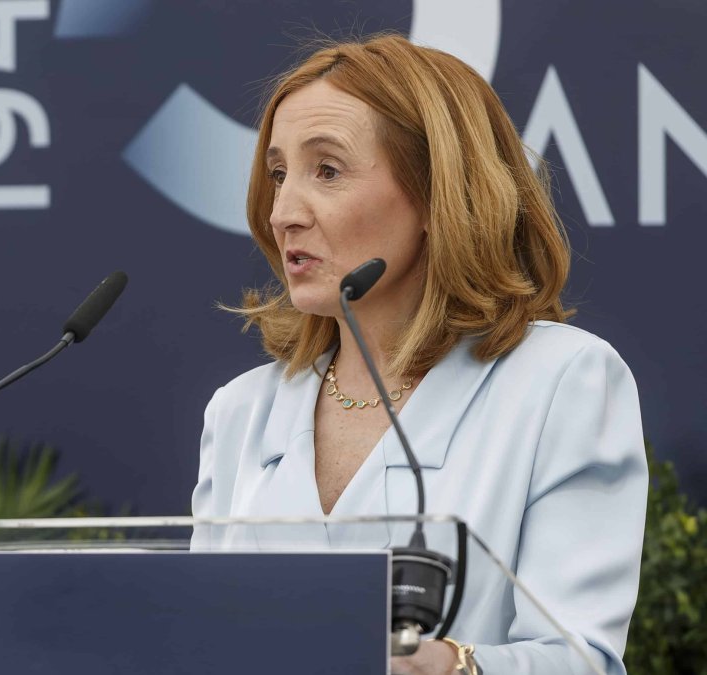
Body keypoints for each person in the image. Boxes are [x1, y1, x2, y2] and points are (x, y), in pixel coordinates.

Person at [190, 34, 647, 675]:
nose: (283, 212)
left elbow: (583, 662)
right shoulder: (239, 411)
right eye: (277, 174)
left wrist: (456, 666)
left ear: (438, 194)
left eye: (327, 169)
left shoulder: (561, 380)